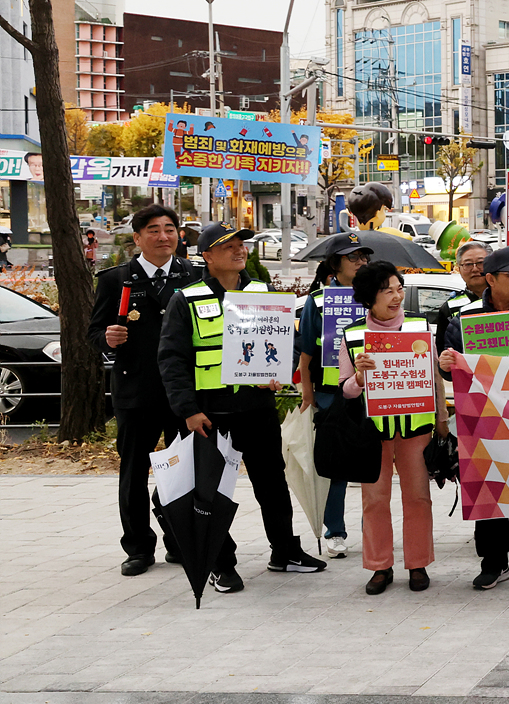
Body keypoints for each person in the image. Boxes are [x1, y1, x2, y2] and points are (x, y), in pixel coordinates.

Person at [157, 223, 327, 593]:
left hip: (257, 407)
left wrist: (280, 369)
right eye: (227, 246)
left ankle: (285, 551)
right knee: (211, 492)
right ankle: (221, 562)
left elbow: (292, 344)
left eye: (240, 245)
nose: (238, 251)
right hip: (209, 412)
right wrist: (187, 409)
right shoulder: (187, 299)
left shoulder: (263, 293)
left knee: (272, 484)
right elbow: (171, 361)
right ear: (206, 256)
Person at [89, 204, 203, 577]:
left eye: (170, 229)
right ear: (137, 238)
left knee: (183, 471)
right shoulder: (115, 279)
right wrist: (107, 339)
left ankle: (179, 539)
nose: (163, 236)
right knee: (133, 472)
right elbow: (94, 332)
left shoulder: (194, 277)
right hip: (135, 391)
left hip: (182, 392)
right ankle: (138, 547)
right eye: (153, 230)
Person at [437, 246, 509, 590]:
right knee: (488, 490)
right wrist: (447, 366)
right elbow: (451, 372)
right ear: (490, 279)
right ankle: (493, 563)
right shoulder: (465, 315)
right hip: (482, 419)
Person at [338, 261, 439, 595]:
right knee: (375, 500)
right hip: (373, 433)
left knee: (418, 498)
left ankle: (418, 563)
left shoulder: (419, 328)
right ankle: (380, 566)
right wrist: (358, 378)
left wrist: (442, 421)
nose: (396, 296)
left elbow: (434, 378)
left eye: (399, 288)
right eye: (387, 291)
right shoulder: (353, 335)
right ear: (369, 298)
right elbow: (344, 389)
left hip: (416, 429)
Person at [293, 233, 374, 559]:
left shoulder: (377, 296)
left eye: (363, 256)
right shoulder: (319, 301)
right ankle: (335, 531)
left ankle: (375, 530)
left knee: (375, 467)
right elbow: (306, 354)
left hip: (375, 392)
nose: (360, 262)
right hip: (331, 396)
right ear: (334, 264)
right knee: (336, 468)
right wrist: (308, 394)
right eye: (352, 257)